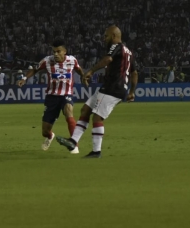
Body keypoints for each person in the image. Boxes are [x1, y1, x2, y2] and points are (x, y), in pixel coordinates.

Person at [55, 25, 138, 158]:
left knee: (97, 117)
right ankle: (73, 141)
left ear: (114, 36)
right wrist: (132, 91)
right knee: (85, 110)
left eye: (106, 36)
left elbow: (108, 59)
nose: (104, 39)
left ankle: (96, 151)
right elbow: (134, 73)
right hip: (113, 87)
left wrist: (91, 71)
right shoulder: (128, 52)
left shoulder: (115, 46)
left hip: (113, 88)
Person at [18, 38, 85, 154]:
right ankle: (50, 136)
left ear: (65, 51)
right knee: (45, 131)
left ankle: (74, 145)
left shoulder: (72, 60)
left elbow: (78, 69)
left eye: (58, 51)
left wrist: (84, 77)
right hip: (52, 97)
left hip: (66, 94)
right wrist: (24, 78)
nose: (55, 54)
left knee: (69, 111)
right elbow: (35, 70)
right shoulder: (47, 61)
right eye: (54, 51)